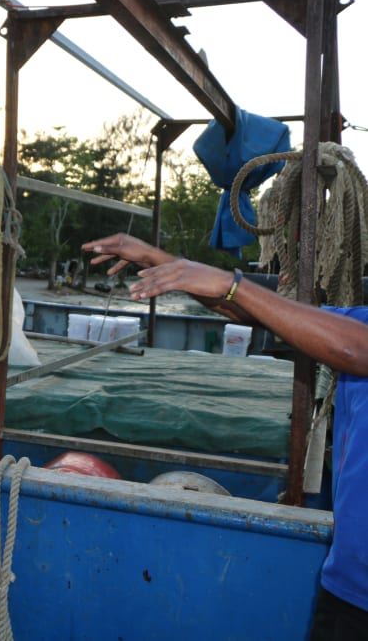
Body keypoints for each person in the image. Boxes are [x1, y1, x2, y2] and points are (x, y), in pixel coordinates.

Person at [82, 232, 368, 640]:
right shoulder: (358, 319)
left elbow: (354, 349)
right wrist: (163, 261)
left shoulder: (356, 337)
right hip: (348, 584)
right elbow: (270, 312)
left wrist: (232, 283)